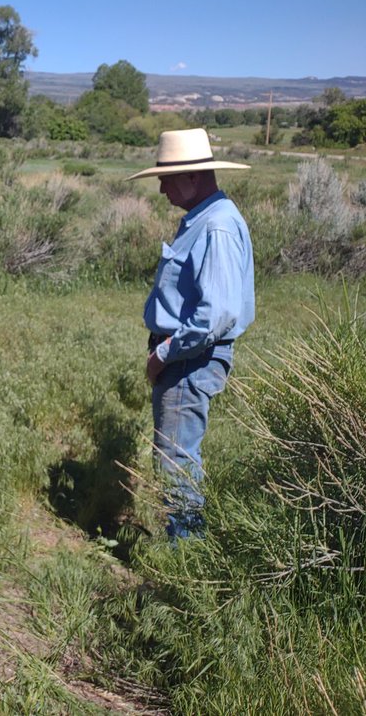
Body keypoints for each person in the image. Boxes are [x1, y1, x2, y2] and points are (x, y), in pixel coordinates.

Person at [129, 128, 255, 540]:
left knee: (175, 464)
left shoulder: (215, 226)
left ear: (194, 177)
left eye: (166, 177)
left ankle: (187, 563)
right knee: (176, 459)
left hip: (188, 362)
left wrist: (165, 353)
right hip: (186, 359)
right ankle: (187, 552)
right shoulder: (205, 219)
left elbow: (214, 314)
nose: (162, 187)